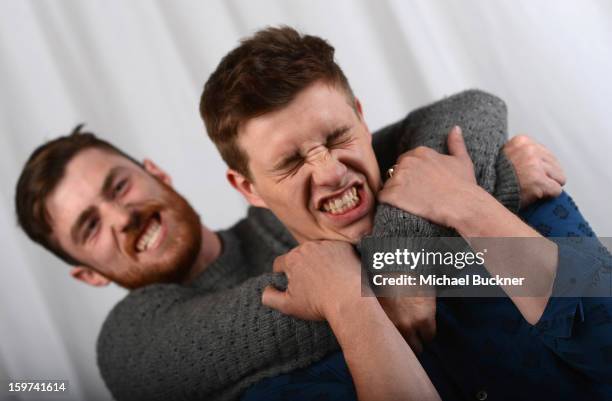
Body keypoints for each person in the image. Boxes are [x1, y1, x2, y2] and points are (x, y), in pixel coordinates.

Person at [200, 26, 612, 400]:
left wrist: (467, 203)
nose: (330, 172)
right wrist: (351, 306)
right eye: (291, 162)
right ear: (247, 188)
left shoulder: (501, 193)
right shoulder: (283, 350)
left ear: (361, 117)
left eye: (337, 136)